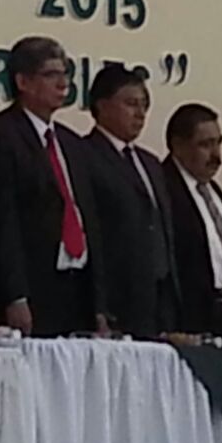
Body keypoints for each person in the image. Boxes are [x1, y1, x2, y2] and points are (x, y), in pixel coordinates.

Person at [0, 36, 107, 337]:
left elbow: (88, 220)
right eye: (50, 75)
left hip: (77, 287)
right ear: (23, 81)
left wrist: (98, 303)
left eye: (65, 74)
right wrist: (14, 295)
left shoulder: (72, 143)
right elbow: (0, 221)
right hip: (34, 288)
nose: (63, 84)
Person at [85, 64, 179, 339]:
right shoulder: (86, 156)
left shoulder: (150, 163)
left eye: (144, 106)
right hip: (118, 297)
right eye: (130, 104)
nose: (140, 114)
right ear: (102, 106)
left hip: (157, 297)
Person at [162, 103, 222, 345]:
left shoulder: (213, 190)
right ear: (178, 146)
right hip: (193, 317)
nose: (217, 156)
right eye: (205, 145)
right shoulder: (165, 189)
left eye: (218, 143)